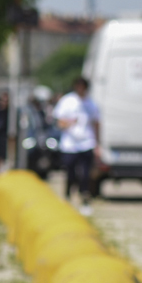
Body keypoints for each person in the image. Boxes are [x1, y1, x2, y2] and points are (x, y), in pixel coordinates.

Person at [53, 76, 100, 215]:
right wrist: (70, 123)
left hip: (86, 143)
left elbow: (96, 123)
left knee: (85, 174)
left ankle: (85, 200)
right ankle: (67, 197)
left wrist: (98, 143)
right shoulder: (67, 101)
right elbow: (59, 122)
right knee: (70, 173)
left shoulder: (91, 103)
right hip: (70, 144)